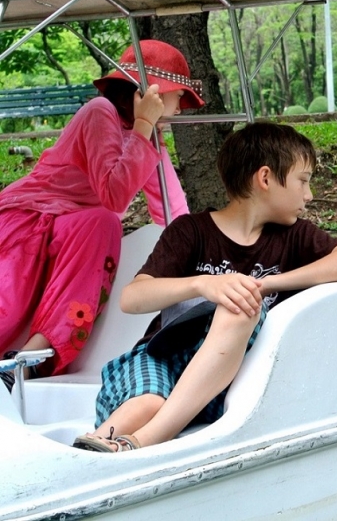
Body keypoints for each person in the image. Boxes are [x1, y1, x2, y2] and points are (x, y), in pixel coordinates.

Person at [72, 122, 337, 453]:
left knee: (242, 302)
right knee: (148, 403)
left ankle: (136, 443)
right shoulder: (190, 231)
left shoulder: (294, 236)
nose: (308, 195)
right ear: (265, 178)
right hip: (160, 358)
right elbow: (133, 298)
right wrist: (205, 284)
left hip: (221, 384)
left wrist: (265, 284)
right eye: (303, 181)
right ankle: (93, 448)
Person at [0, 40, 204, 386]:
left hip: (73, 228)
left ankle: (31, 357)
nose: (180, 109)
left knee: (102, 223)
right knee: (8, 309)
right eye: (178, 96)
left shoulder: (147, 136)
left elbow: (172, 208)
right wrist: (142, 128)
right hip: (28, 217)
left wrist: (198, 256)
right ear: (149, 91)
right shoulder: (100, 111)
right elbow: (113, 194)